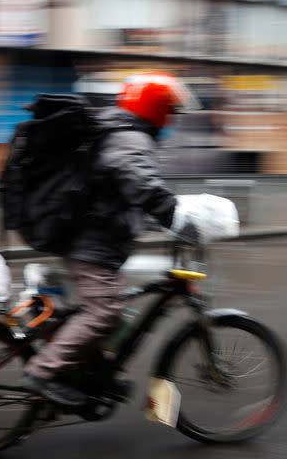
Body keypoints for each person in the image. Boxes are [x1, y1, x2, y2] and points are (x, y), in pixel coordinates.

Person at [23, 72, 200, 406]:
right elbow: (141, 184)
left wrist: (165, 223)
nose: (172, 118)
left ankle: (95, 377)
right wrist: (174, 217)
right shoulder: (131, 139)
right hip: (91, 247)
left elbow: (124, 197)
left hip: (99, 245)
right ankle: (43, 371)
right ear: (156, 108)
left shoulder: (125, 133)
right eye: (171, 111)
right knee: (103, 313)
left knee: (114, 312)